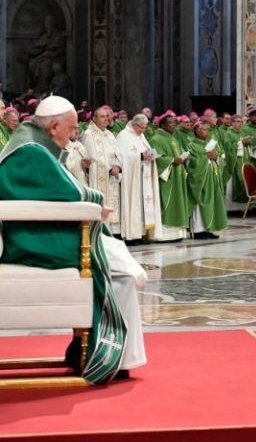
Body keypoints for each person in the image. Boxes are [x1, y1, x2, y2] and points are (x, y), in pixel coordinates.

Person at [0, 95, 146, 383]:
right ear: (54, 126)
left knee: (119, 260)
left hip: (33, 232)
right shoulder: (31, 152)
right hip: (31, 239)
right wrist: (96, 204)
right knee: (121, 272)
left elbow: (55, 191)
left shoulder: (31, 141)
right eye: (71, 128)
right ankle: (105, 353)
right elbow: (71, 192)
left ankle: (86, 345)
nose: (73, 135)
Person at [115, 114, 162, 244]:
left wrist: (150, 156)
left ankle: (141, 234)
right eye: (141, 127)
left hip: (143, 177)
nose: (143, 130)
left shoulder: (141, 136)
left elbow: (145, 151)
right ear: (134, 124)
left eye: (144, 127)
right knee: (133, 204)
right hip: (132, 179)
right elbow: (122, 158)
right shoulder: (123, 136)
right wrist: (140, 157)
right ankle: (131, 235)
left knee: (142, 207)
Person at [149, 112, 191, 241]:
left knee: (178, 202)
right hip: (167, 177)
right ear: (162, 125)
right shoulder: (156, 139)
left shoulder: (173, 139)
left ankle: (177, 233)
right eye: (171, 123)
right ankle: (165, 235)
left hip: (177, 176)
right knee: (167, 203)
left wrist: (183, 158)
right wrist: (172, 160)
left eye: (174, 123)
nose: (174, 125)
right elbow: (157, 158)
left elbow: (179, 154)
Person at [82, 106, 122, 236]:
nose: (106, 119)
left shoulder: (109, 135)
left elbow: (118, 154)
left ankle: (112, 233)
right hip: (98, 178)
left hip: (111, 178)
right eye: (102, 117)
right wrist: (109, 169)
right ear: (94, 118)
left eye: (107, 117)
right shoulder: (89, 135)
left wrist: (117, 166)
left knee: (112, 204)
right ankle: (99, 232)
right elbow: (90, 158)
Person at [187, 122, 228, 238]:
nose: (207, 132)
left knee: (213, 203)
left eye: (208, 130)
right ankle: (199, 231)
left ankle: (210, 228)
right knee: (201, 204)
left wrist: (216, 157)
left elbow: (222, 162)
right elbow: (191, 164)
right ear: (197, 131)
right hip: (201, 181)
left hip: (213, 179)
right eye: (204, 129)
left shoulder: (211, 145)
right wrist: (206, 157)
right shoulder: (192, 146)